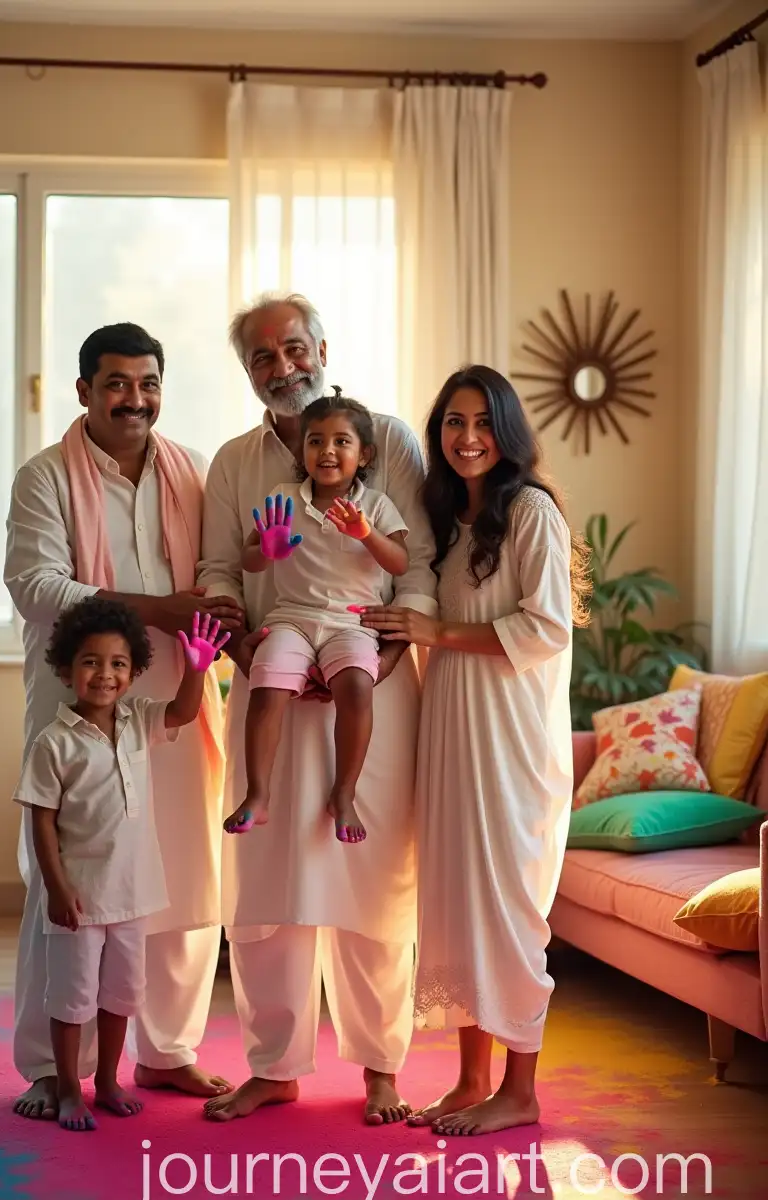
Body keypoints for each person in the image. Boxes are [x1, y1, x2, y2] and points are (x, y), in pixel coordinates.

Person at [196, 292, 438, 1124]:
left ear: (323, 348)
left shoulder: (389, 440)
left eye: (294, 348)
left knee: (373, 886)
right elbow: (219, 570)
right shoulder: (234, 462)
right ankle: (274, 1065)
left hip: (368, 689)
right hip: (270, 677)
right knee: (266, 888)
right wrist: (236, 638)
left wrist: (386, 649)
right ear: (250, 374)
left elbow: (420, 565)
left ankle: (380, 1068)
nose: (283, 367)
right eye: (263, 357)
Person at [4, 322, 245, 1122]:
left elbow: (216, 572)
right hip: (76, 704)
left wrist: (215, 614)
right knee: (63, 883)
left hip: (175, 695)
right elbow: (36, 585)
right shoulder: (45, 477)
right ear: (83, 391)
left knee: (175, 868)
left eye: (146, 383)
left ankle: (167, 1050)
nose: (133, 399)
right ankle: (50, 1066)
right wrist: (158, 610)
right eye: (115, 383)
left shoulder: (192, 472)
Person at [359, 365, 591, 1136]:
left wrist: (436, 634)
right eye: (453, 424)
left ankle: (519, 1092)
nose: (466, 439)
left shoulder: (531, 513)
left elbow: (548, 627)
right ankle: (471, 1078)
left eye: (482, 424)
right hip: (452, 728)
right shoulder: (449, 522)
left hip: (511, 739)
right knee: (457, 899)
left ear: (508, 432)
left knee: (508, 908)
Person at [14, 598, 228, 1131]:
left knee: (120, 996)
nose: (104, 674)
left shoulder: (138, 720)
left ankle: (108, 1081)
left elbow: (180, 711)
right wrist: (57, 890)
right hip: (80, 899)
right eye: (90, 662)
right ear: (65, 669)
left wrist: (199, 669)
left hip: (133, 897)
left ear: (133, 674)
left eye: (117, 664)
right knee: (71, 1000)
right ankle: (68, 1088)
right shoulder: (54, 743)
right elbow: (41, 822)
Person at [227, 386, 409, 844]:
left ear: (364, 453)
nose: (327, 450)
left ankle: (343, 794)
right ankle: (257, 795)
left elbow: (401, 563)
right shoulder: (282, 496)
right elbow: (248, 559)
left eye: (341, 442)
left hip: (352, 621)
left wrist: (367, 533)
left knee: (356, 689)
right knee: (266, 687)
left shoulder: (376, 505)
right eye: (315, 441)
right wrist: (265, 550)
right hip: (291, 616)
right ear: (302, 449)